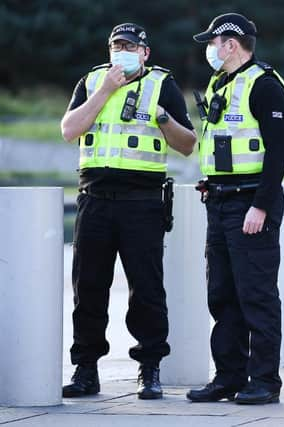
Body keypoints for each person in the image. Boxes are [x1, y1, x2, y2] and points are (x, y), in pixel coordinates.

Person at [60, 23, 197, 399]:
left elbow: (188, 145)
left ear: (144, 53)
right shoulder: (92, 82)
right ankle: (85, 368)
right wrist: (105, 92)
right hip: (95, 199)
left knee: (146, 289)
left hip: (142, 202)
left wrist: (163, 118)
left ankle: (149, 368)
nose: (122, 51)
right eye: (116, 45)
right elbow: (69, 130)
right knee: (87, 288)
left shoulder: (162, 85)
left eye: (130, 46)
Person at [186, 13, 284, 405]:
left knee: (257, 295)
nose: (209, 49)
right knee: (222, 294)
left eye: (213, 42)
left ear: (231, 44)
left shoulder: (264, 85)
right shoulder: (221, 83)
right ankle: (228, 377)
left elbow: (279, 152)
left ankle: (265, 381)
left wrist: (260, 206)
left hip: (251, 203)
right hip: (220, 199)